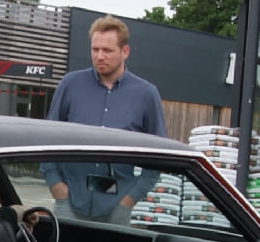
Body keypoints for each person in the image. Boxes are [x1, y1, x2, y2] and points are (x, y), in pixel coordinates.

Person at [41, 15, 166, 224]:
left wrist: (129, 199)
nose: (100, 56)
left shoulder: (146, 94)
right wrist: (55, 185)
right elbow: (46, 139)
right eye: (95, 49)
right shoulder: (70, 85)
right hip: (69, 200)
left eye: (107, 50)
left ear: (125, 51)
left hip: (117, 207)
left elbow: (159, 157)